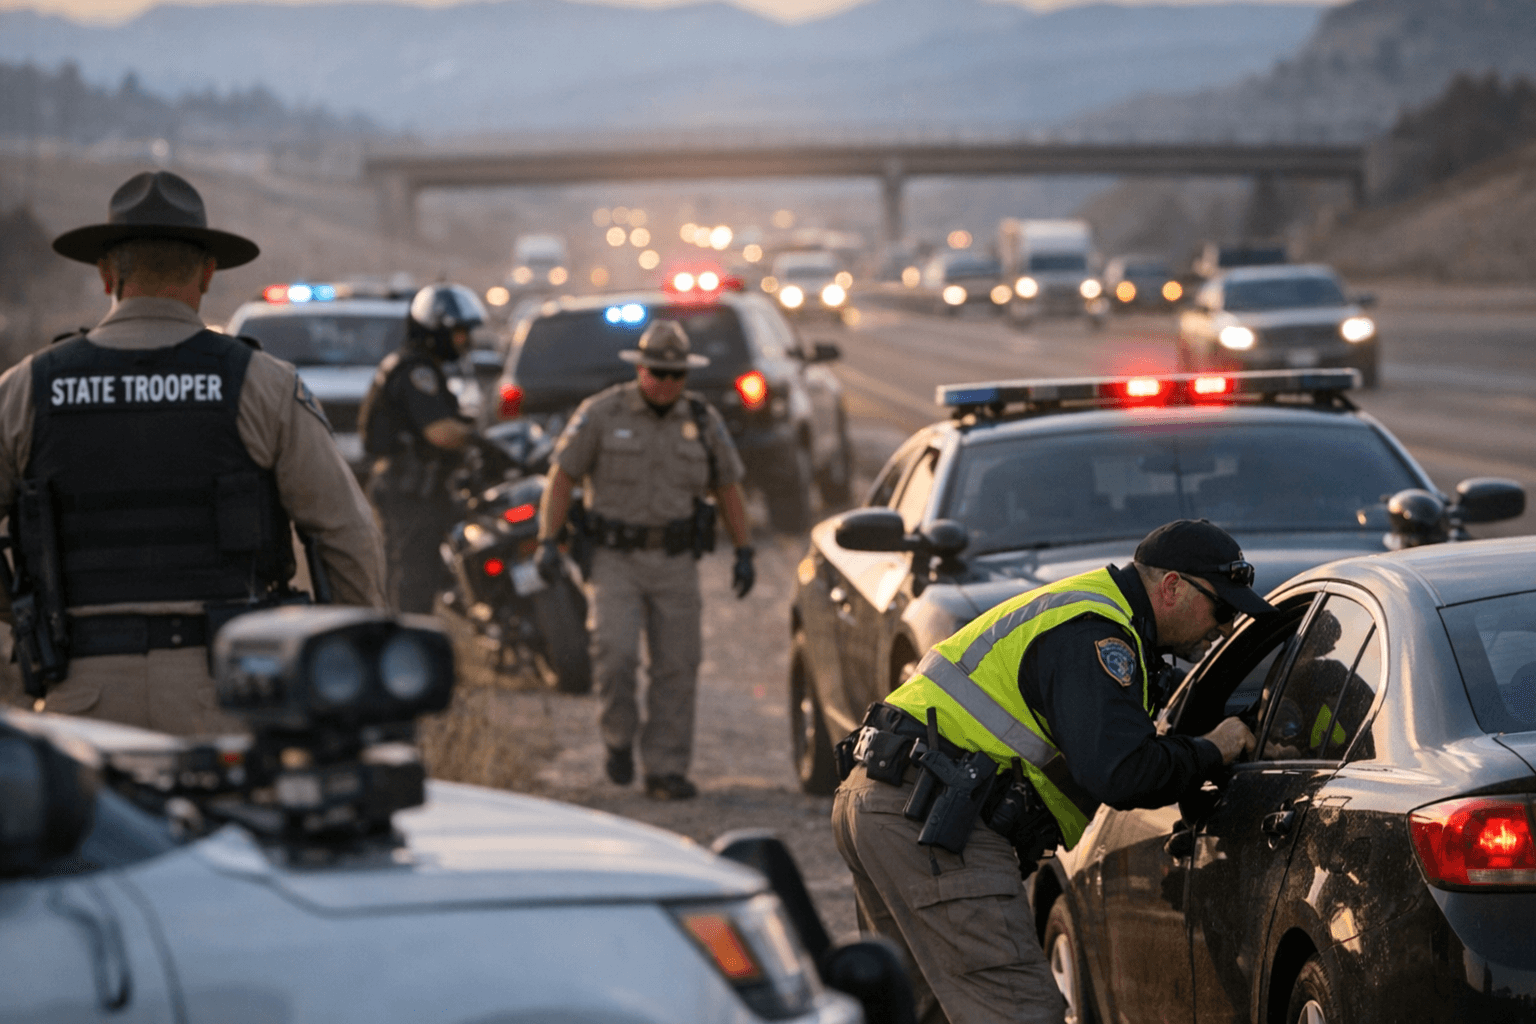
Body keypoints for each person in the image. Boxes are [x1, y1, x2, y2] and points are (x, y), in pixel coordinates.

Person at [830, 518, 1269, 1024]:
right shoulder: (1098, 636)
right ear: (1172, 587)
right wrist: (1214, 750)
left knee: (926, 1012)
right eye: (1222, 608)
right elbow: (1122, 772)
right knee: (1021, 1012)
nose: (1225, 626)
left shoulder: (1092, 614)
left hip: (885, 799)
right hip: (933, 819)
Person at [0, 170, 385, 734]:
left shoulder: (27, 389)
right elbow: (346, 534)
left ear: (107, 273)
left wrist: (20, 612)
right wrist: (357, 678)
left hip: (80, 698)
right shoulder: (262, 384)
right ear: (207, 275)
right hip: (227, 692)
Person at [534, 319, 754, 800]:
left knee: (678, 665)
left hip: (676, 563)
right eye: (657, 372)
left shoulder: (702, 420)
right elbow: (563, 476)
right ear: (640, 368)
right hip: (615, 559)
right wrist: (548, 540)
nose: (666, 383)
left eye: (676, 375)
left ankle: (665, 769)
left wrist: (744, 550)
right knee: (615, 655)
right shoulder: (602, 413)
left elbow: (728, 487)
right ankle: (617, 739)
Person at [358, 283, 484, 614]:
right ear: (436, 330)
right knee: (414, 578)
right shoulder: (417, 371)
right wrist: (480, 436)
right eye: (458, 332)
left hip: (416, 487)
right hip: (411, 490)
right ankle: (409, 649)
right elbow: (441, 432)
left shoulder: (415, 364)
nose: (464, 341)